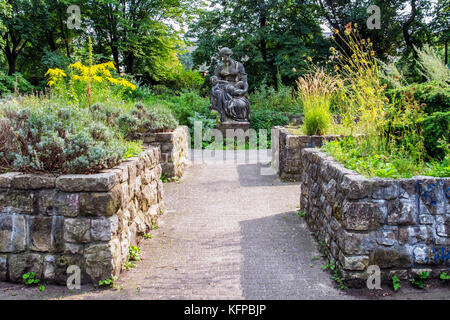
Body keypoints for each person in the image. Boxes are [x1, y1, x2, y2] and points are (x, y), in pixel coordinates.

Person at [210, 47, 250, 123]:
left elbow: (244, 81)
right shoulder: (220, 66)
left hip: (235, 87)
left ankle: (236, 118)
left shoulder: (238, 65)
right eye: (222, 56)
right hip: (223, 86)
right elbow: (216, 78)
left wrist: (244, 90)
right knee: (219, 93)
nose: (223, 58)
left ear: (228, 55)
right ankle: (221, 117)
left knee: (241, 103)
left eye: (223, 56)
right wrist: (213, 79)